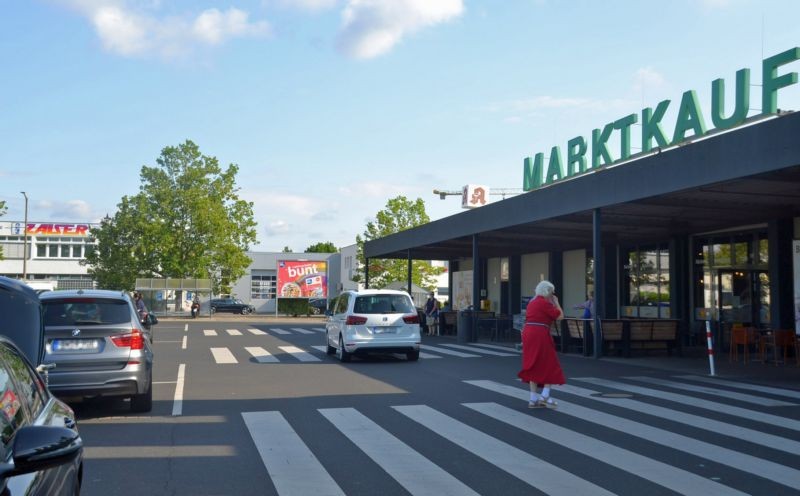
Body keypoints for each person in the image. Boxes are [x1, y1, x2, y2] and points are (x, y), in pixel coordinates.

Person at [517, 280, 565, 409]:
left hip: (528, 332)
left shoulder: (532, 303)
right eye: (551, 292)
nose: (552, 294)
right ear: (547, 291)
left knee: (532, 363)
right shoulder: (544, 303)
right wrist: (556, 302)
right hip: (540, 333)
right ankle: (545, 395)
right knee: (549, 362)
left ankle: (533, 399)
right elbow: (560, 316)